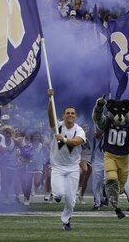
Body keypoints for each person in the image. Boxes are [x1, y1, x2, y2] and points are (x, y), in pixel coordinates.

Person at [47, 89, 85, 231]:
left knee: (71, 200)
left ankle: (66, 220)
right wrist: (50, 100)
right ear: (63, 115)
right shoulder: (58, 127)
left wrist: (63, 139)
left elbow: (76, 142)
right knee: (58, 194)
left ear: (75, 116)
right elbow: (50, 117)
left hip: (73, 168)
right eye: (67, 113)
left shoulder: (79, 130)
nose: (70, 115)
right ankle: (56, 196)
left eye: (72, 113)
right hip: (57, 166)